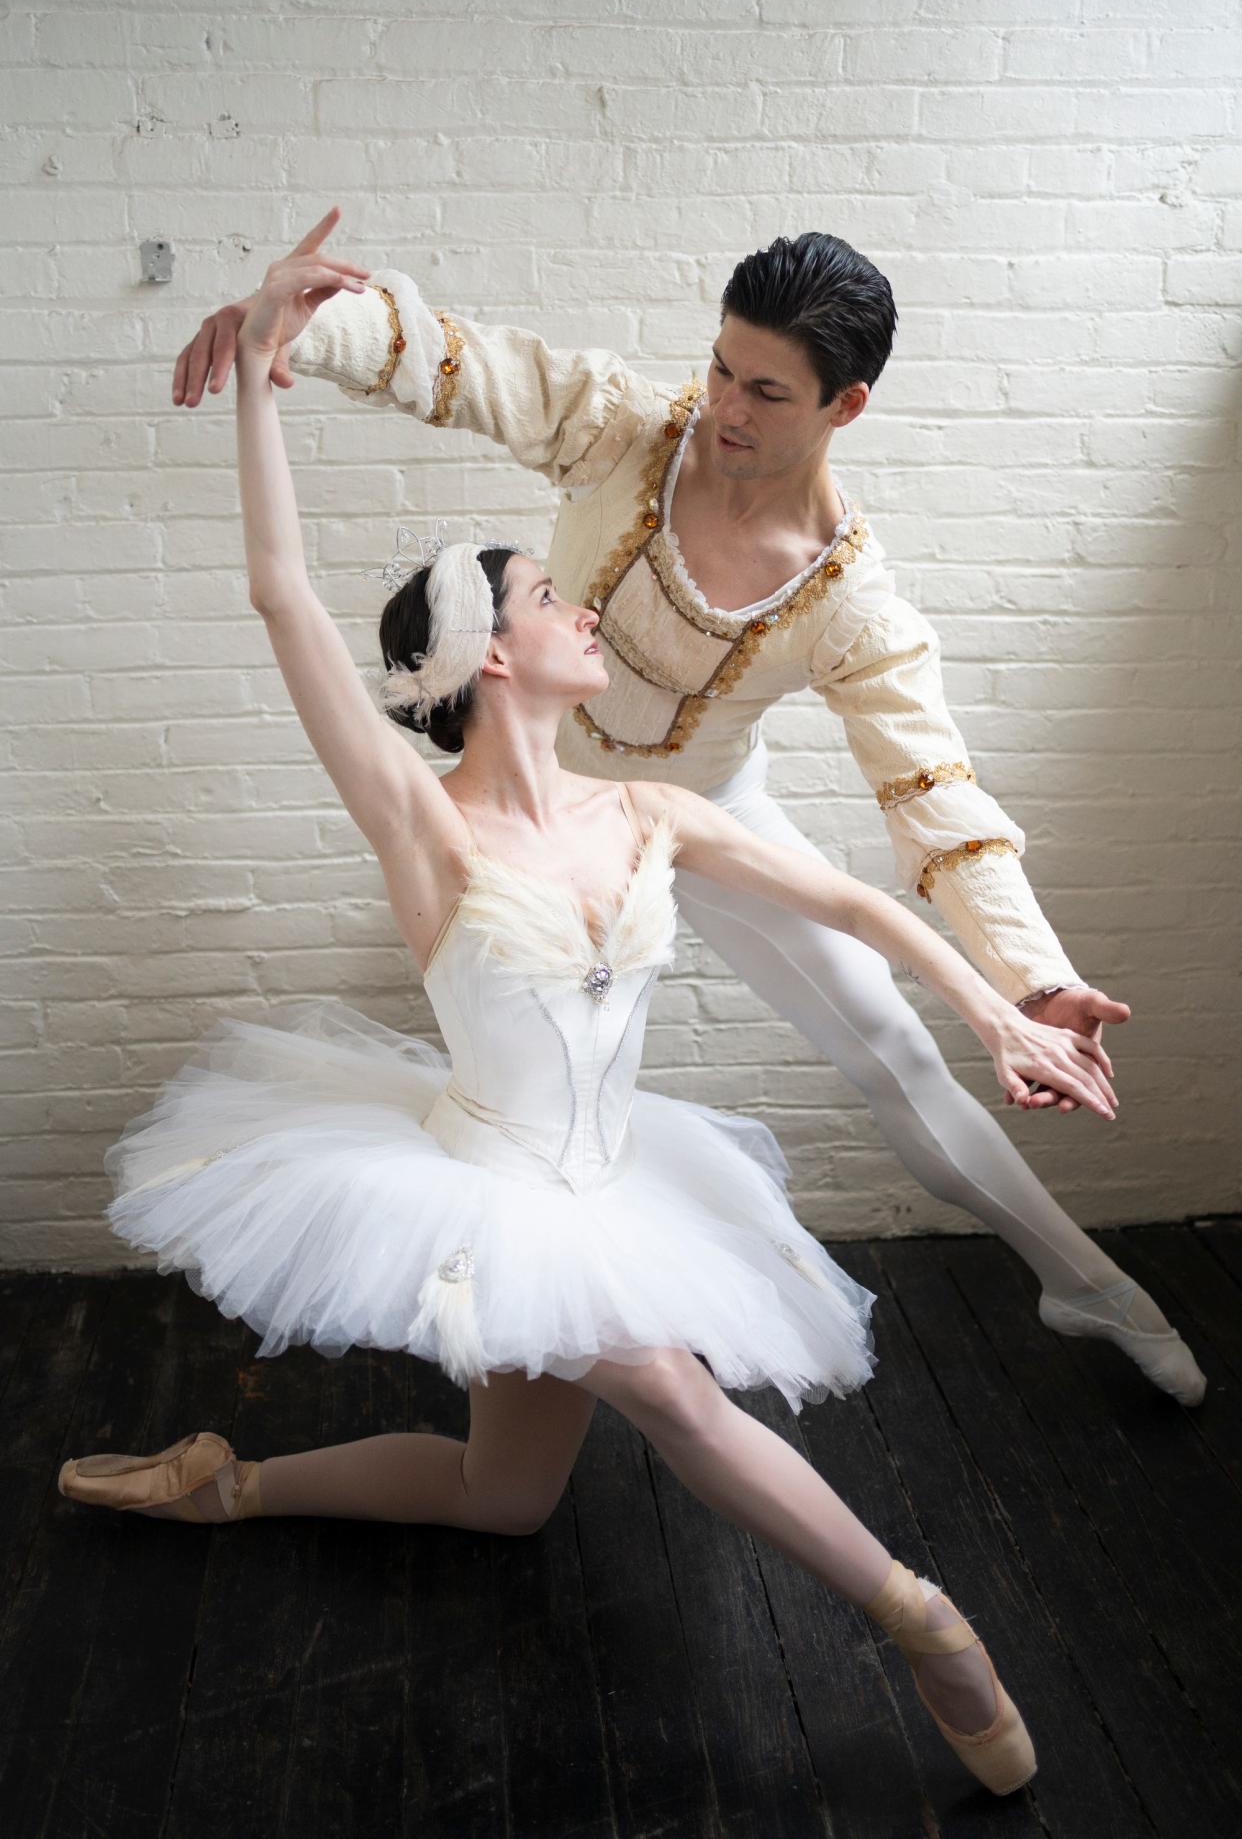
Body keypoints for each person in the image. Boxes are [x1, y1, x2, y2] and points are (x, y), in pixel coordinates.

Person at [60, 232, 1119, 1799]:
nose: (585, 607)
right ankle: (920, 1614)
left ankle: (234, 1479)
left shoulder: (644, 814)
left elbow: (862, 901)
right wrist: (267, 381)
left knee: (504, 1500)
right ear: (496, 649)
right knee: (670, 1386)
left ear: (843, 403)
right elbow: (282, 591)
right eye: (551, 592)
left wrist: (1002, 1005)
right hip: (493, 1184)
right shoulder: (426, 833)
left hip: (611, 1181)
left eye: (768, 384)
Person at [167, 208, 1205, 1406]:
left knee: (897, 1051)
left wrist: (1026, 979)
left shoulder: (850, 598)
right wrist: (292, 326)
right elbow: (464, 364)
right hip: (528, 805)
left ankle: (1086, 1282)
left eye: (766, 391)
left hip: (695, 813)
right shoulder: (626, 430)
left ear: (843, 407)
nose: (723, 407)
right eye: (720, 366)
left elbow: (937, 793)